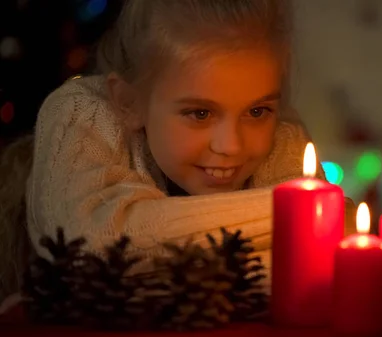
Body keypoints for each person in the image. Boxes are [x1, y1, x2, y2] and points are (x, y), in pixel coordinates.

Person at [0, 0, 356, 302]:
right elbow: (89, 246)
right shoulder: (84, 109)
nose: (230, 146)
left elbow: (322, 260)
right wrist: (301, 213)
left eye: (257, 111)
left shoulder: (281, 138)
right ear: (128, 101)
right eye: (199, 113)